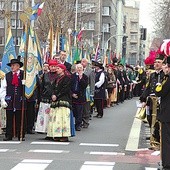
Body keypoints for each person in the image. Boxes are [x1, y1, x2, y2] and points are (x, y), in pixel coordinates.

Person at [140, 53, 165, 150]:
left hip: (160, 101)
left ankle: (158, 140)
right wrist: (143, 99)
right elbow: (148, 87)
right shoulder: (152, 75)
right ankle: (153, 139)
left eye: (159, 62)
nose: (156, 64)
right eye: (155, 62)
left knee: (158, 120)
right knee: (150, 118)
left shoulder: (164, 74)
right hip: (151, 100)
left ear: (163, 64)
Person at [0, 59, 25, 141]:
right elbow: (3, 88)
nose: (12, 67)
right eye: (11, 65)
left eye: (14, 65)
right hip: (10, 99)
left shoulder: (23, 75)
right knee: (9, 118)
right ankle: (8, 135)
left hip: (20, 99)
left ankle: (20, 134)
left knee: (20, 118)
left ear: (18, 66)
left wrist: (25, 83)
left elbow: (29, 87)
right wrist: (2, 100)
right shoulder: (7, 75)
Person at [47, 64, 73, 142]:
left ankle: (64, 135)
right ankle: (56, 134)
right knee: (56, 118)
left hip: (64, 100)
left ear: (63, 69)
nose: (57, 69)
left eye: (58, 68)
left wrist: (57, 95)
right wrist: (53, 94)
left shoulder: (67, 78)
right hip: (56, 100)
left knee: (63, 118)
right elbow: (53, 88)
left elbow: (65, 89)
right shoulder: (57, 79)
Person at [155, 56, 170, 170]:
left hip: (167, 114)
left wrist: (163, 79)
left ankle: (166, 163)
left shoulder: (167, 79)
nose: (164, 67)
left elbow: (159, 92)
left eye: (165, 65)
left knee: (166, 140)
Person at [35, 59, 58, 133]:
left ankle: (52, 130)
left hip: (55, 97)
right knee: (44, 115)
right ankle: (43, 129)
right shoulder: (45, 75)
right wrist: (39, 98)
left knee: (53, 116)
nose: (53, 68)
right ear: (49, 67)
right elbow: (41, 87)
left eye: (54, 66)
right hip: (45, 97)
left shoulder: (59, 75)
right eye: (52, 66)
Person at [71, 64, 88, 131]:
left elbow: (84, 86)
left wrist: (81, 78)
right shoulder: (72, 76)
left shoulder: (85, 77)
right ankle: (71, 125)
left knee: (79, 112)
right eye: (78, 68)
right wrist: (72, 94)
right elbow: (69, 86)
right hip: (72, 97)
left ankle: (78, 125)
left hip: (80, 97)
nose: (79, 69)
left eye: (80, 68)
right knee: (73, 112)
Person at [81, 58, 95, 128]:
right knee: (80, 107)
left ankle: (86, 122)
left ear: (87, 63)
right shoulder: (79, 70)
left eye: (84, 62)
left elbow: (92, 83)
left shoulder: (90, 71)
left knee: (86, 107)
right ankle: (80, 121)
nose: (82, 63)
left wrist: (92, 93)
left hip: (87, 91)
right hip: (80, 91)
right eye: (81, 62)